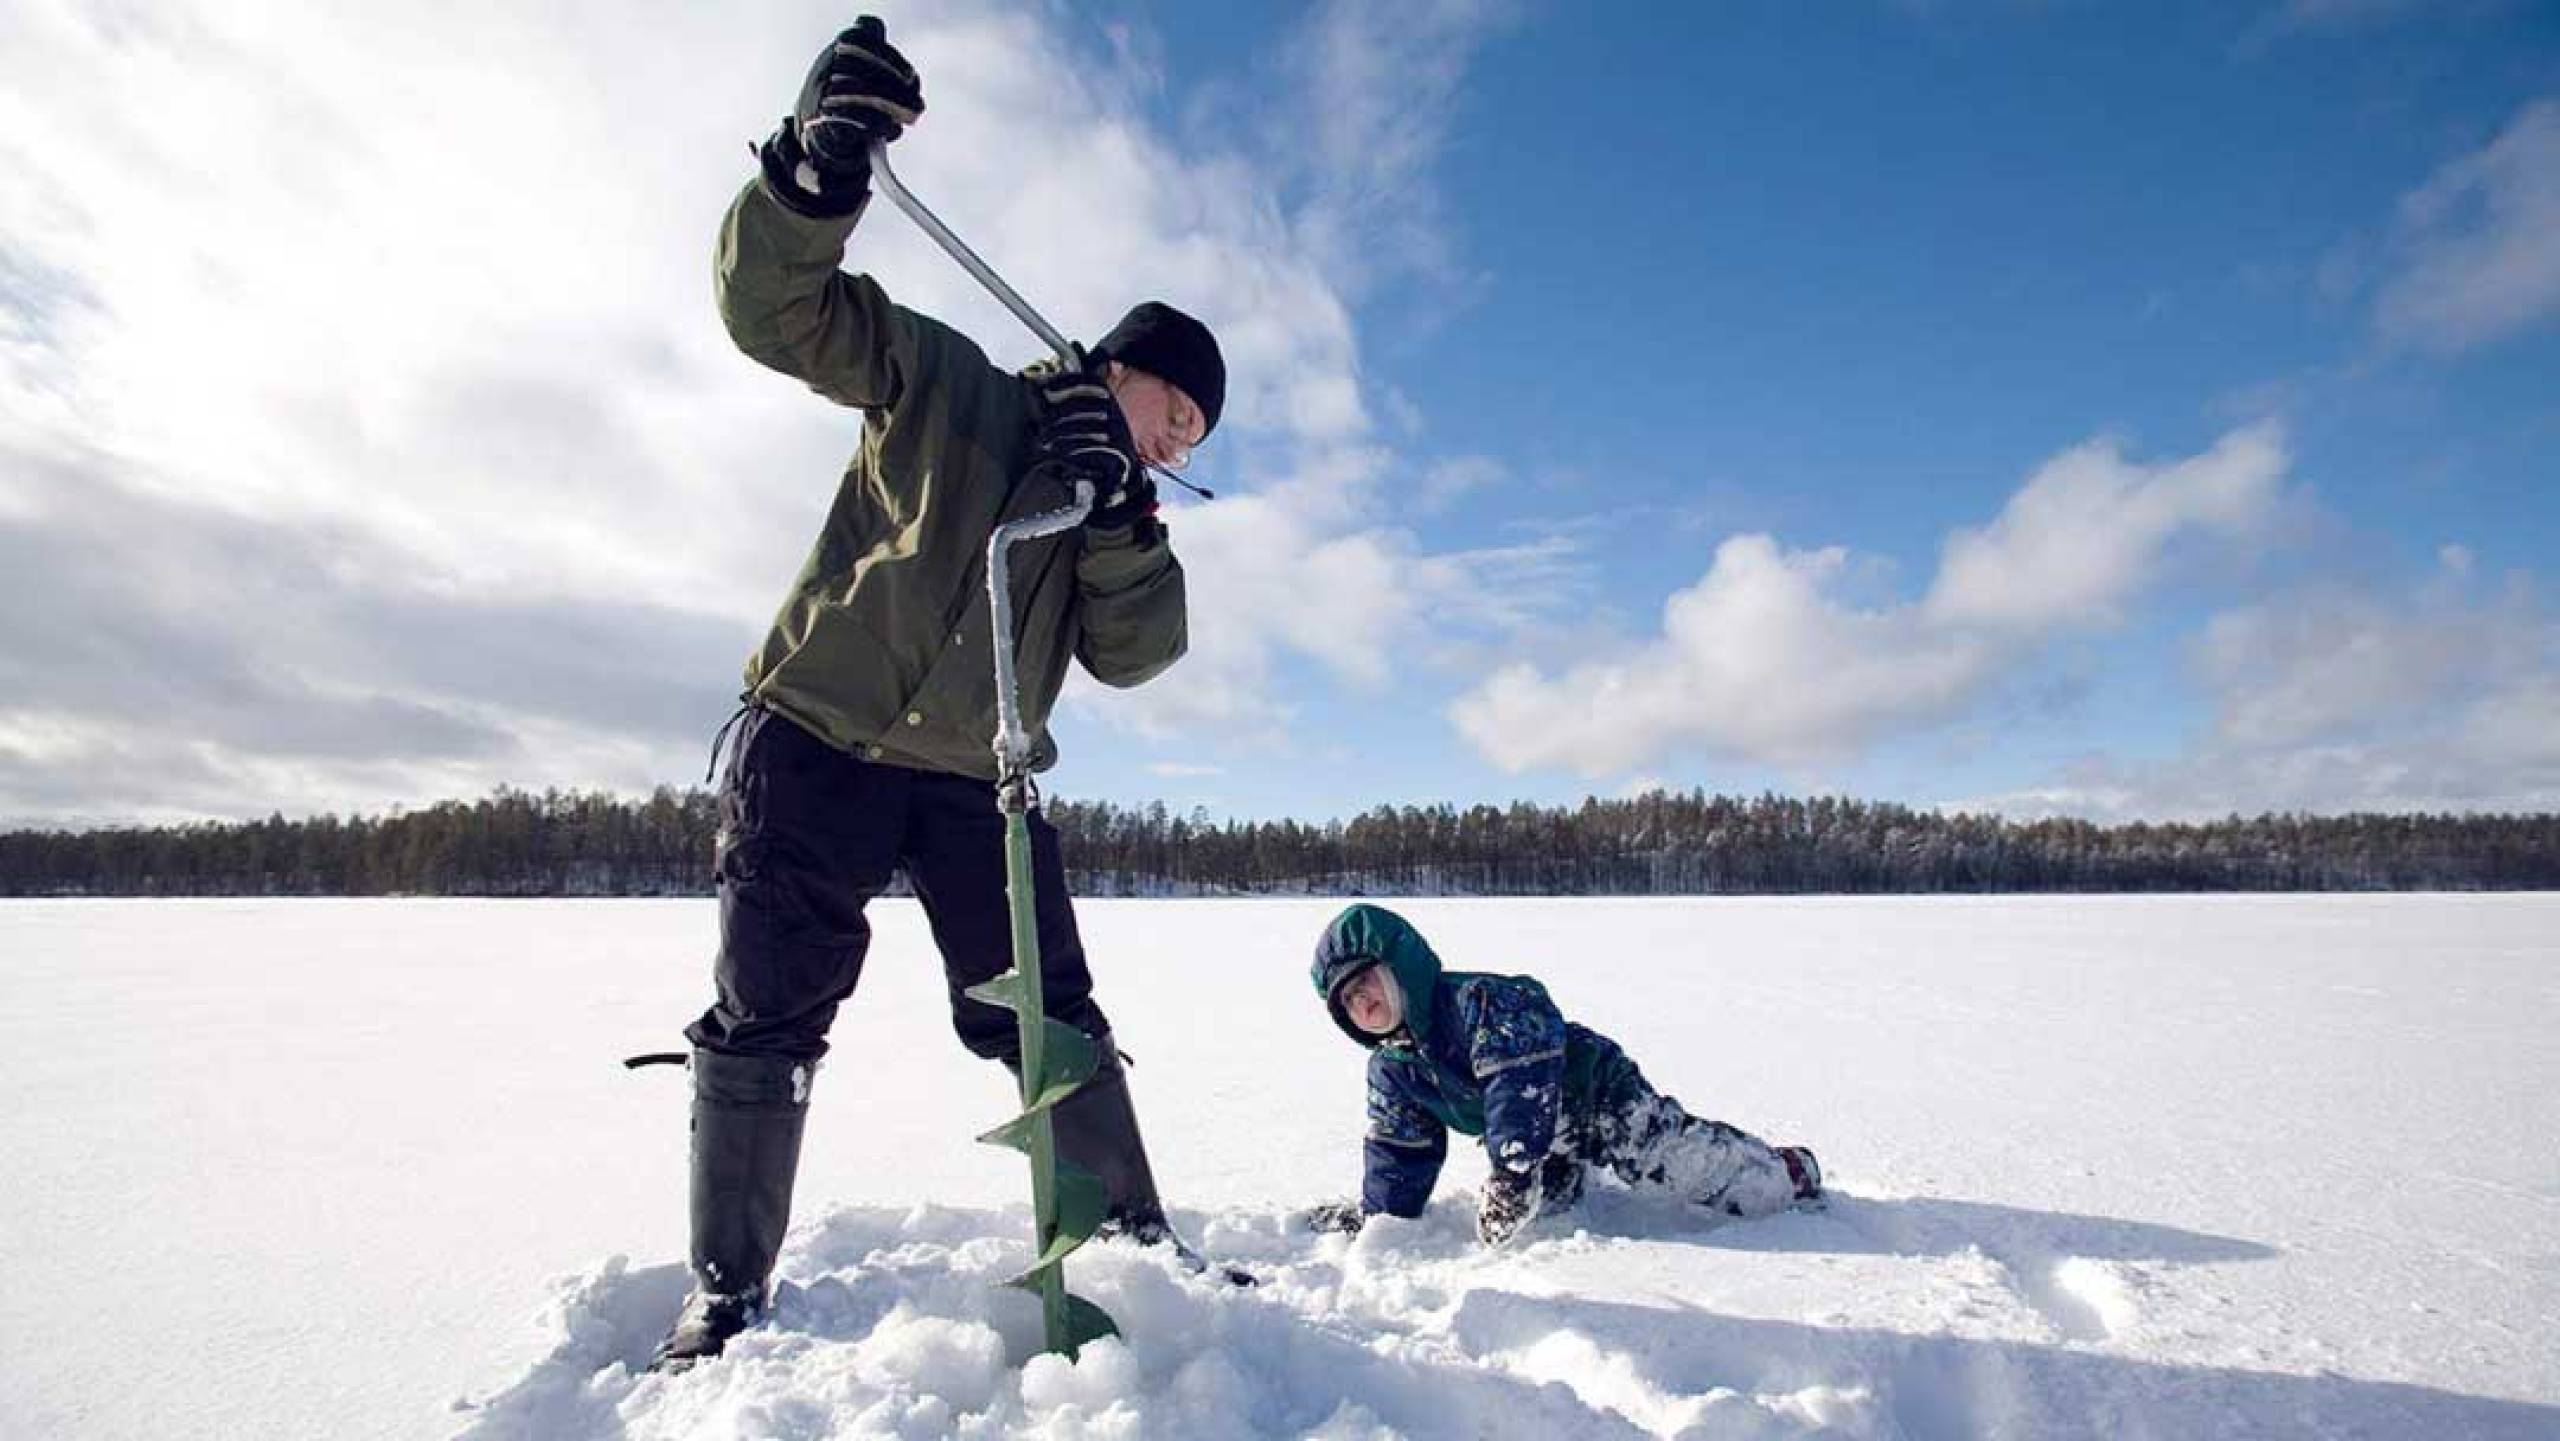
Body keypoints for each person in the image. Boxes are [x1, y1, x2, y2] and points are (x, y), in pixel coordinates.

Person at [655, 18, 1228, 1369]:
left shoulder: (1113, 503)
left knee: (1048, 1009)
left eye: (1192, 444)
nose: (1178, 445)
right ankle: (728, 1287)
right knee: (769, 1009)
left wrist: (1118, 517)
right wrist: (812, 185)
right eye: (1177, 417)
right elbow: (773, 312)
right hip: (821, 739)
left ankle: (1134, 1249)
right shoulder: (945, 380)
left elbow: (1140, 653)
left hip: (982, 780)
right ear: (1127, 364)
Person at [1301, 904, 1823, 1246]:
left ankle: (1784, 1171)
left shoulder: (1475, 1002)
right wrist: (1383, 1221)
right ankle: (1562, 1169)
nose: (1364, 1001)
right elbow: (1400, 1149)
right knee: (1544, 1222)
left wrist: (1511, 1170)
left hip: (1598, 1097)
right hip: (1541, 1140)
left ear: (1399, 966)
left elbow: (1515, 1081)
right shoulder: (1392, 1070)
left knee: (1674, 1164)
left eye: (1367, 981)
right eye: (1349, 999)